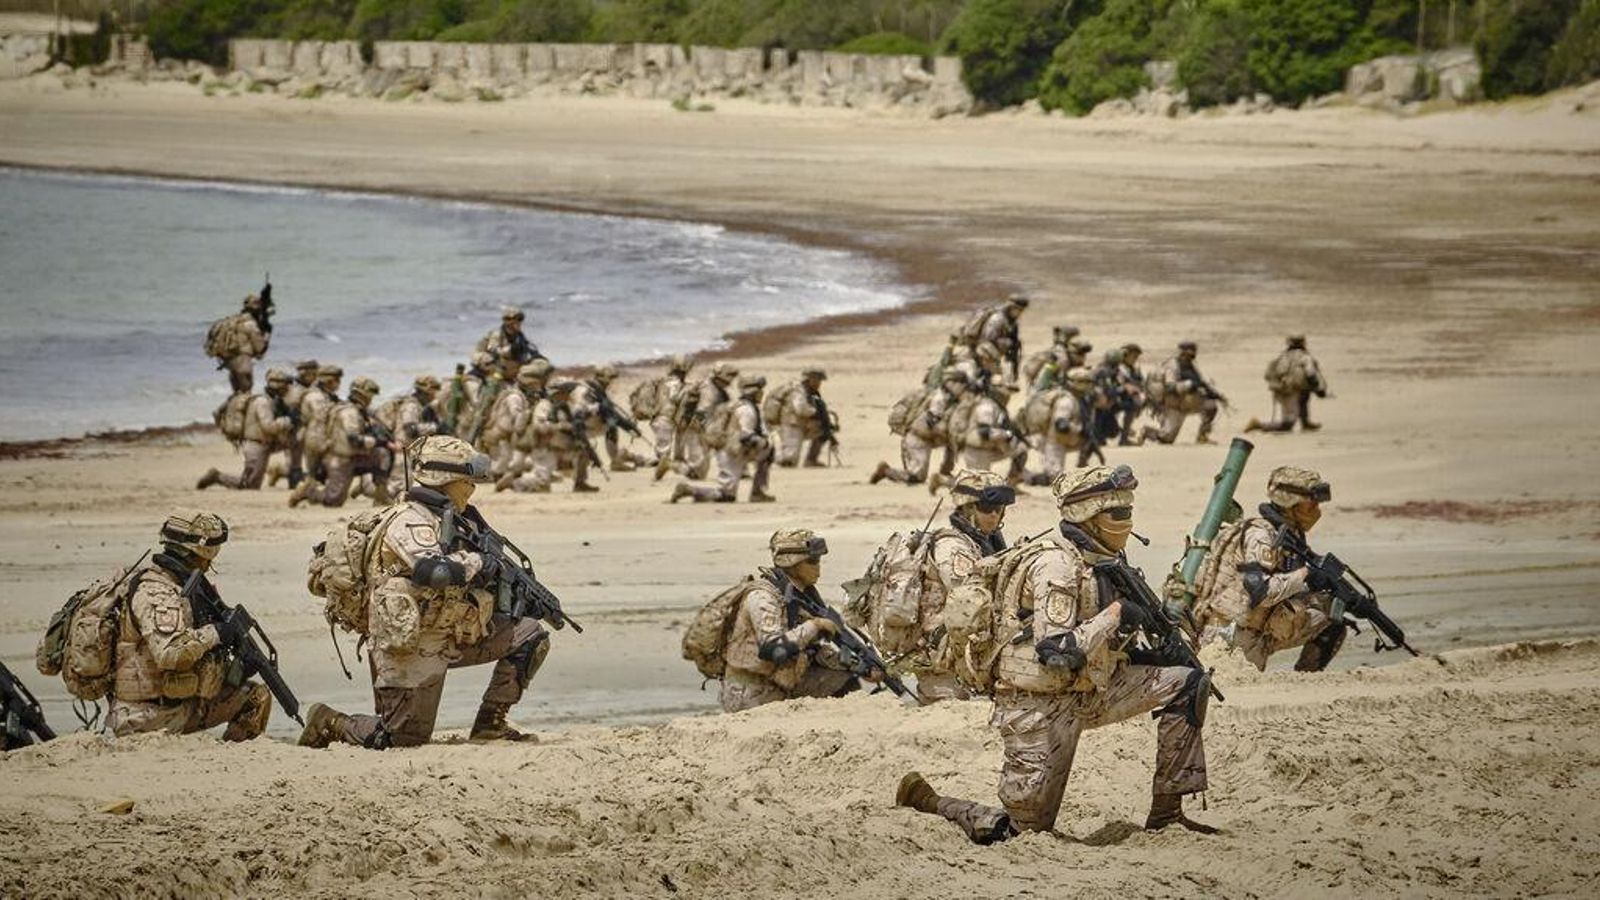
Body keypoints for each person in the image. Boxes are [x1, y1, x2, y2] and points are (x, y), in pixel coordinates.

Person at [896, 465, 1214, 843]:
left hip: (1090, 689)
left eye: (1128, 513)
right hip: (1038, 705)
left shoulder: (1102, 560)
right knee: (1020, 833)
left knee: (1187, 683)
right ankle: (929, 801)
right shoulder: (1056, 565)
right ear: (1090, 518)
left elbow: (1105, 646)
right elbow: (1056, 651)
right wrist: (1116, 616)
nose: (1127, 522)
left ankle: (1167, 815)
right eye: (1119, 514)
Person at [298, 436, 552, 748]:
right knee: (401, 739)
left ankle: (491, 725)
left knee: (530, 635)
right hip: (407, 642)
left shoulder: (458, 519)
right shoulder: (409, 519)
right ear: (445, 481)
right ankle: (330, 721)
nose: (471, 488)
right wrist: (478, 562)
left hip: (450, 631)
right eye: (466, 481)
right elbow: (434, 571)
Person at [106, 511, 272, 740]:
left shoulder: (181, 587)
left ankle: (234, 756)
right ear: (200, 552)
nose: (209, 564)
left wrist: (237, 669)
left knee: (254, 696)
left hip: (177, 705)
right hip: (145, 718)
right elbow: (169, 654)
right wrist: (216, 633)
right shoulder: (157, 592)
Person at [1189, 466, 1346, 671]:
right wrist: (1306, 574)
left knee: (1331, 617)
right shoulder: (1261, 536)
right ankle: (1303, 679)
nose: (1316, 510)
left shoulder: (1285, 534)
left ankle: (1307, 681)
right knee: (1327, 618)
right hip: (1231, 636)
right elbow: (1261, 593)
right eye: (1311, 504)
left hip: (1247, 628)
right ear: (1291, 503)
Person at [718, 529, 875, 711]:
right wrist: (814, 625)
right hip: (749, 691)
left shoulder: (801, 596)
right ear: (792, 562)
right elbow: (773, 649)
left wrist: (860, 666)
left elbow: (811, 650)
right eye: (812, 561)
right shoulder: (763, 597)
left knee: (843, 682)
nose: (818, 567)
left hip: (780, 680)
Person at [895, 470, 1016, 703]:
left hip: (962, 647)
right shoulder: (952, 546)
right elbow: (968, 597)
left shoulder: (985, 540)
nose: (994, 516)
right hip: (940, 653)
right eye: (986, 509)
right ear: (968, 508)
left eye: (999, 509)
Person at [671, 374, 775, 503]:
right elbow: (746, 436)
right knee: (726, 496)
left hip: (728, 449)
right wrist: (765, 444)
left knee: (728, 494)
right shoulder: (747, 409)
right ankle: (689, 490)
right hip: (733, 452)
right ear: (754, 391)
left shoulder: (736, 404)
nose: (762, 393)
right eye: (760, 390)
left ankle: (758, 492)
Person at [291, 377, 385, 508]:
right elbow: (353, 439)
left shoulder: (355, 409)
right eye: (370, 396)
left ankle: (381, 496)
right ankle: (308, 491)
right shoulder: (349, 412)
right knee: (333, 501)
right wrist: (377, 441)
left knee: (381, 456)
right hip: (340, 459)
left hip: (352, 457)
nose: (371, 400)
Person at [197, 368, 295, 491]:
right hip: (256, 446)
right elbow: (268, 427)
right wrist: (286, 421)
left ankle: (289, 473)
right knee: (250, 485)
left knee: (295, 443)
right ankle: (217, 477)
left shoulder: (270, 401)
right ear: (277, 386)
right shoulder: (262, 402)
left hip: (263, 444)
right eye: (285, 385)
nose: (287, 389)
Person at [871, 370, 968, 487]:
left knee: (954, 438)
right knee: (916, 477)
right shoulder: (939, 399)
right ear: (952, 383)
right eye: (961, 384)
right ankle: (886, 471)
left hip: (929, 439)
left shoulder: (952, 400)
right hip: (917, 439)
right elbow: (931, 424)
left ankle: (945, 471)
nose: (963, 388)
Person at [504, 380, 597, 493]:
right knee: (542, 485)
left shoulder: (564, 407)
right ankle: (513, 483)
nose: (568, 395)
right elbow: (540, 427)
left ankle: (580, 483)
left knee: (584, 450)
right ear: (557, 393)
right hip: (545, 448)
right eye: (565, 392)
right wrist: (560, 426)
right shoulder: (544, 406)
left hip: (560, 446)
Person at [934, 380, 1026, 490]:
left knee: (1021, 449)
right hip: (976, 450)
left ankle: (1012, 484)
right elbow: (984, 432)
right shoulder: (986, 406)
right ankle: (942, 481)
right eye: (1007, 392)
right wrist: (1007, 434)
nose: (1008, 396)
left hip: (990, 447)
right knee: (977, 487)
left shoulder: (996, 405)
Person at [665, 361, 739, 481]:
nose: (730, 381)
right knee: (699, 473)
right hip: (697, 430)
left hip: (699, 428)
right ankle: (671, 465)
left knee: (701, 470)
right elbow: (702, 412)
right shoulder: (710, 391)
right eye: (729, 377)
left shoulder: (713, 387)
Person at [1142, 341, 1222, 445]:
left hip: (1187, 403)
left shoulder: (1190, 366)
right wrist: (1188, 384)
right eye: (1189, 353)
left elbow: (1198, 382)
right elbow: (1170, 387)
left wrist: (1210, 392)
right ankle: (1146, 432)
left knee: (1211, 406)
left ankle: (1202, 436)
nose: (1191, 356)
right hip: (1172, 405)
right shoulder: (1172, 366)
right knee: (1166, 438)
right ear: (1182, 353)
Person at [572, 364, 648, 472]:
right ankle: (615, 462)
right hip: (580, 425)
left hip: (579, 422)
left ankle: (615, 459)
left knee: (611, 421)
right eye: (610, 378)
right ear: (603, 378)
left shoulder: (593, 388)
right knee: (611, 425)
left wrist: (629, 427)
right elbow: (610, 415)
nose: (611, 382)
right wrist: (630, 427)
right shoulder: (592, 392)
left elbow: (611, 412)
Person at [1246, 335, 1328, 434]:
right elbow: (1311, 374)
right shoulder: (1305, 357)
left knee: (1304, 395)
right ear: (1303, 343)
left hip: (1282, 389)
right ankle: (1258, 424)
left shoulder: (1283, 356)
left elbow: (1272, 374)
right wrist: (1319, 389)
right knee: (1288, 424)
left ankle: (1305, 423)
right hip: (1290, 390)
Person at [481, 365, 543, 480]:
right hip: (502, 433)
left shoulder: (517, 394)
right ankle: (496, 476)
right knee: (505, 457)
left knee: (509, 458)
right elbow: (516, 415)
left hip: (506, 433)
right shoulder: (515, 397)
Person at [207, 291, 272, 394]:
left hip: (231, 364)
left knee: (237, 395)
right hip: (244, 363)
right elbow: (260, 349)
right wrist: (267, 335)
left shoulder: (233, 321)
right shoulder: (250, 324)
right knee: (246, 395)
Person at [774, 367, 835, 468]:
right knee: (790, 459)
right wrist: (815, 412)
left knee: (823, 432)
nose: (819, 383)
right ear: (810, 379)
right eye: (817, 380)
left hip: (802, 424)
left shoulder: (810, 392)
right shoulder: (798, 391)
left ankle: (811, 460)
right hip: (791, 425)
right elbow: (800, 409)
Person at [644, 356, 692, 471]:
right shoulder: (675, 384)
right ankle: (670, 462)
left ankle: (667, 460)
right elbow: (675, 398)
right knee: (666, 449)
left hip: (660, 417)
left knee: (664, 446)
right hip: (666, 418)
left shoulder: (663, 381)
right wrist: (687, 391)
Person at [298, 364, 343, 485]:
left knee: (319, 473)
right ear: (329, 381)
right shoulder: (316, 397)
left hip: (317, 435)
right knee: (316, 472)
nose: (339, 384)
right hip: (317, 437)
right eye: (337, 380)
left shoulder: (326, 395)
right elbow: (321, 418)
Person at [475, 308, 543, 380]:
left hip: (510, 368)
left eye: (519, 319)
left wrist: (536, 356)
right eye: (509, 320)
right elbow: (492, 349)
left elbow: (528, 347)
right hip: (489, 365)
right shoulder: (497, 334)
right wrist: (510, 350)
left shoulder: (520, 337)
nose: (515, 323)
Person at [1115, 343, 1147, 445]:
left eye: (1136, 357)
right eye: (1133, 356)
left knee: (1131, 411)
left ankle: (1124, 438)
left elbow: (1141, 382)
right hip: (1116, 397)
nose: (1135, 359)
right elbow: (1119, 384)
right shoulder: (1118, 368)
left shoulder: (1134, 369)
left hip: (1128, 398)